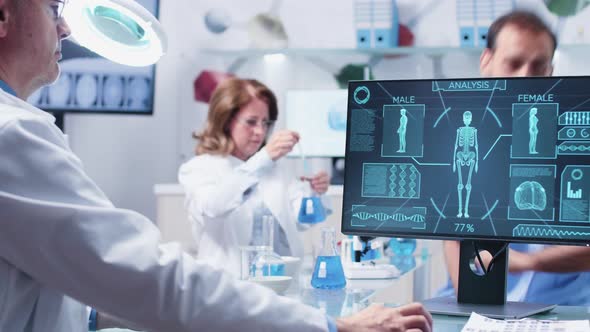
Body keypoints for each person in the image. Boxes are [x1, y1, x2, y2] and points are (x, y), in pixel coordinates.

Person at [0, 0, 433, 331]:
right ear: (4, 16)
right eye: (54, 7)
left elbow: (70, 280)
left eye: (266, 122)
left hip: (264, 300)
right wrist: (328, 326)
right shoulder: (12, 135)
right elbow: (149, 272)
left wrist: (310, 196)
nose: (66, 26)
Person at [439, 10, 590, 306]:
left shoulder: (579, 137)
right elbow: (453, 239)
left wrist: (524, 262)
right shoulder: (454, 131)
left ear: (550, 71)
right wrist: (472, 302)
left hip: (563, 308)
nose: (525, 76)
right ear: (487, 61)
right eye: (514, 63)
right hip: (471, 305)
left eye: (538, 66)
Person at [178, 78, 330, 277]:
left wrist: (314, 193)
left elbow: (300, 222)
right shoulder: (199, 168)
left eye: (265, 123)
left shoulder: (275, 168)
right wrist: (263, 158)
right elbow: (214, 206)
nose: (260, 131)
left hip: (281, 282)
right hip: (227, 286)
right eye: (251, 122)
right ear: (225, 121)